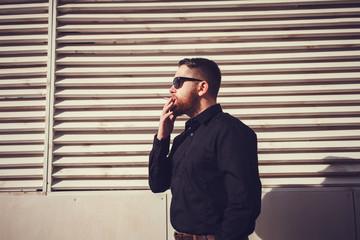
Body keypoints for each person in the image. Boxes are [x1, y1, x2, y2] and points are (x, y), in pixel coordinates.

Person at [149, 58, 262, 240]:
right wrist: (162, 138)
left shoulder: (231, 132)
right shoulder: (183, 138)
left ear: (202, 88)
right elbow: (157, 184)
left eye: (178, 82)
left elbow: (244, 202)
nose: (171, 89)